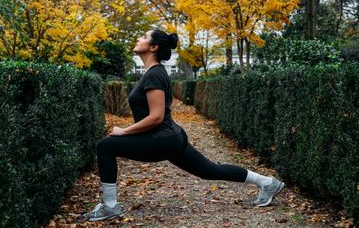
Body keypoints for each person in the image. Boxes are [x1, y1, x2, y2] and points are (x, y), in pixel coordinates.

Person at [82, 29, 284, 222]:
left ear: (153, 47)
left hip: (162, 138)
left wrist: (123, 131)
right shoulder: (154, 73)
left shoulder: (154, 75)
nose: (138, 39)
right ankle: (267, 182)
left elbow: (156, 117)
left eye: (143, 37)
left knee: (105, 146)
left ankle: (110, 206)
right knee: (210, 170)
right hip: (170, 137)